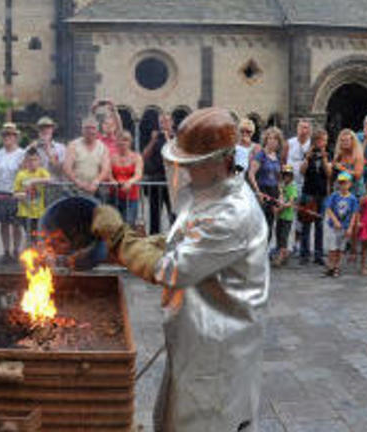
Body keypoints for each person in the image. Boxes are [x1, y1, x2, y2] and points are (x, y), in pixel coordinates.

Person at [88, 107, 268, 431]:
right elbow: (185, 238)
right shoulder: (211, 192)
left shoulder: (233, 214)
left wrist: (119, 238)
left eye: (192, 165)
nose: (186, 172)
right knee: (171, 419)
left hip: (218, 349)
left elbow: (173, 268)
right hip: (196, 338)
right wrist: (137, 244)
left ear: (218, 162)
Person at [248, 127, 285, 254]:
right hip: (262, 190)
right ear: (266, 140)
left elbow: (278, 178)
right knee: (260, 224)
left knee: (270, 223)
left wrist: (280, 194)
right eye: (270, 138)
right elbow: (251, 174)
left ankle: (263, 252)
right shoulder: (261, 155)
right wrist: (257, 191)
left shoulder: (276, 157)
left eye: (275, 139)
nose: (273, 141)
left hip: (273, 190)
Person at [0, 123, 25, 262]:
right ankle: (6, 250)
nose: (8, 137)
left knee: (16, 224)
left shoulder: (21, 153)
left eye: (11, 135)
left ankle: (16, 249)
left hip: (15, 193)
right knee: (3, 223)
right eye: (5, 135)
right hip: (1, 191)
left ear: (15, 137)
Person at [299, 128, 331, 265]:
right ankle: (304, 254)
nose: (322, 143)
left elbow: (329, 174)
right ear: (314, 141)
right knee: (306, 224)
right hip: (308, 192)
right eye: (319, 140)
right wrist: (307, 157)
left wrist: (324, 159)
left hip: (321, 193)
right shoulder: (308, 154)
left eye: (324, 140)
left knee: (319, 225)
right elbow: (302, 171)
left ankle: (318, 254)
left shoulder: (327, 155)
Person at [142, 113, 175, 234]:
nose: (164, 125)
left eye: (166, 121)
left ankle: (174, 241)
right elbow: (144, 156)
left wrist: (167, 138)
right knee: (154, 216)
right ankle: (153, 241)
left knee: (173, 214)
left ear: (172, 123)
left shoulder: (176, 138)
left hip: (172, 183)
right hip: (156, 182)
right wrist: (153, 140)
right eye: (161, 122)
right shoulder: (155, 138)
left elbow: (175, 155)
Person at [64, 118, 110, 199]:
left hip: (95, 191)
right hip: (74, 191)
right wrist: (78, 183)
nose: (90, 131)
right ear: (82, 130)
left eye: (93, 128)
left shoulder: (103, 147)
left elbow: (105, 170)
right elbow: (67, 168)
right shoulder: (73, 145)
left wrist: (96, 182)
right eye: (87, 128)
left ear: (97, 131)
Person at [324, 172, 359, 277]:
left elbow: (354, 214)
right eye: (341, 183)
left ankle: (337, 267)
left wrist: (350, 228)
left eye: (345, 183)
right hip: (333, 227)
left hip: (345, 227)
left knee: (340, 249)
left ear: (350, 184)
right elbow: (328, 209)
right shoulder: (334, 196)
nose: (343, 185)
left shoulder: (352, 199)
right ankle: (330, 266)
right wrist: (335, 221)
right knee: (332, 248)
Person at [107, 130, 143, 226]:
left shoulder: (137, 157)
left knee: (128, 224)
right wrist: (112, 181)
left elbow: (138, 174)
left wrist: (130, 182)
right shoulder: (111, 157)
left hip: (131, 197)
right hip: (114, 196)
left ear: (130, 142)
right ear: (116, 142)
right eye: (120, 140)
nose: (123, 142)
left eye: (126, 140)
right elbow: (108, 173)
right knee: (113, 225)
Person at [13, 151, 50, 240]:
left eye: (35, 160)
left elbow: (50, 180)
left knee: (39, 236)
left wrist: (34, 180)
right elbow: (15, 193)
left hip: (39, 212)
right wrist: (21, 195)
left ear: (39, 161)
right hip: (25, 212)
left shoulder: (41, 172)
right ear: (26, 161)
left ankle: (38, 252)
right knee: (30, 237)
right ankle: (30, 251)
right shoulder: (21, 174)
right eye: (30, 160)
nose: (33, 163)